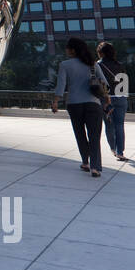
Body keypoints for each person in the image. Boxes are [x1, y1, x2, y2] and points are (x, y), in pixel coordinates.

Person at [50, 37, 111, 176]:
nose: (65, 50)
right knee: (94, 136)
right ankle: (95, 167)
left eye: (67, 48)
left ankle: (85, 162)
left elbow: (61, 85)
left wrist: (55, 101)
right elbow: (104, 83)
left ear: (72, 50)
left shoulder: (65, 65)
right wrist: (107, 100)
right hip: (93, 104)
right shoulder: (93, 64)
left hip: (74, 104)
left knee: (80, 134)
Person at [96, 42, 128, 162]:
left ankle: (113, 149)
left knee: (109, 125)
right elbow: (124, 82)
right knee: (120, 125)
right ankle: (120, 152)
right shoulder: (120, 65)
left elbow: (98, 83)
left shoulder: (98, 65)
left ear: (101, 53)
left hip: (106, 99)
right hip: (121, 97)